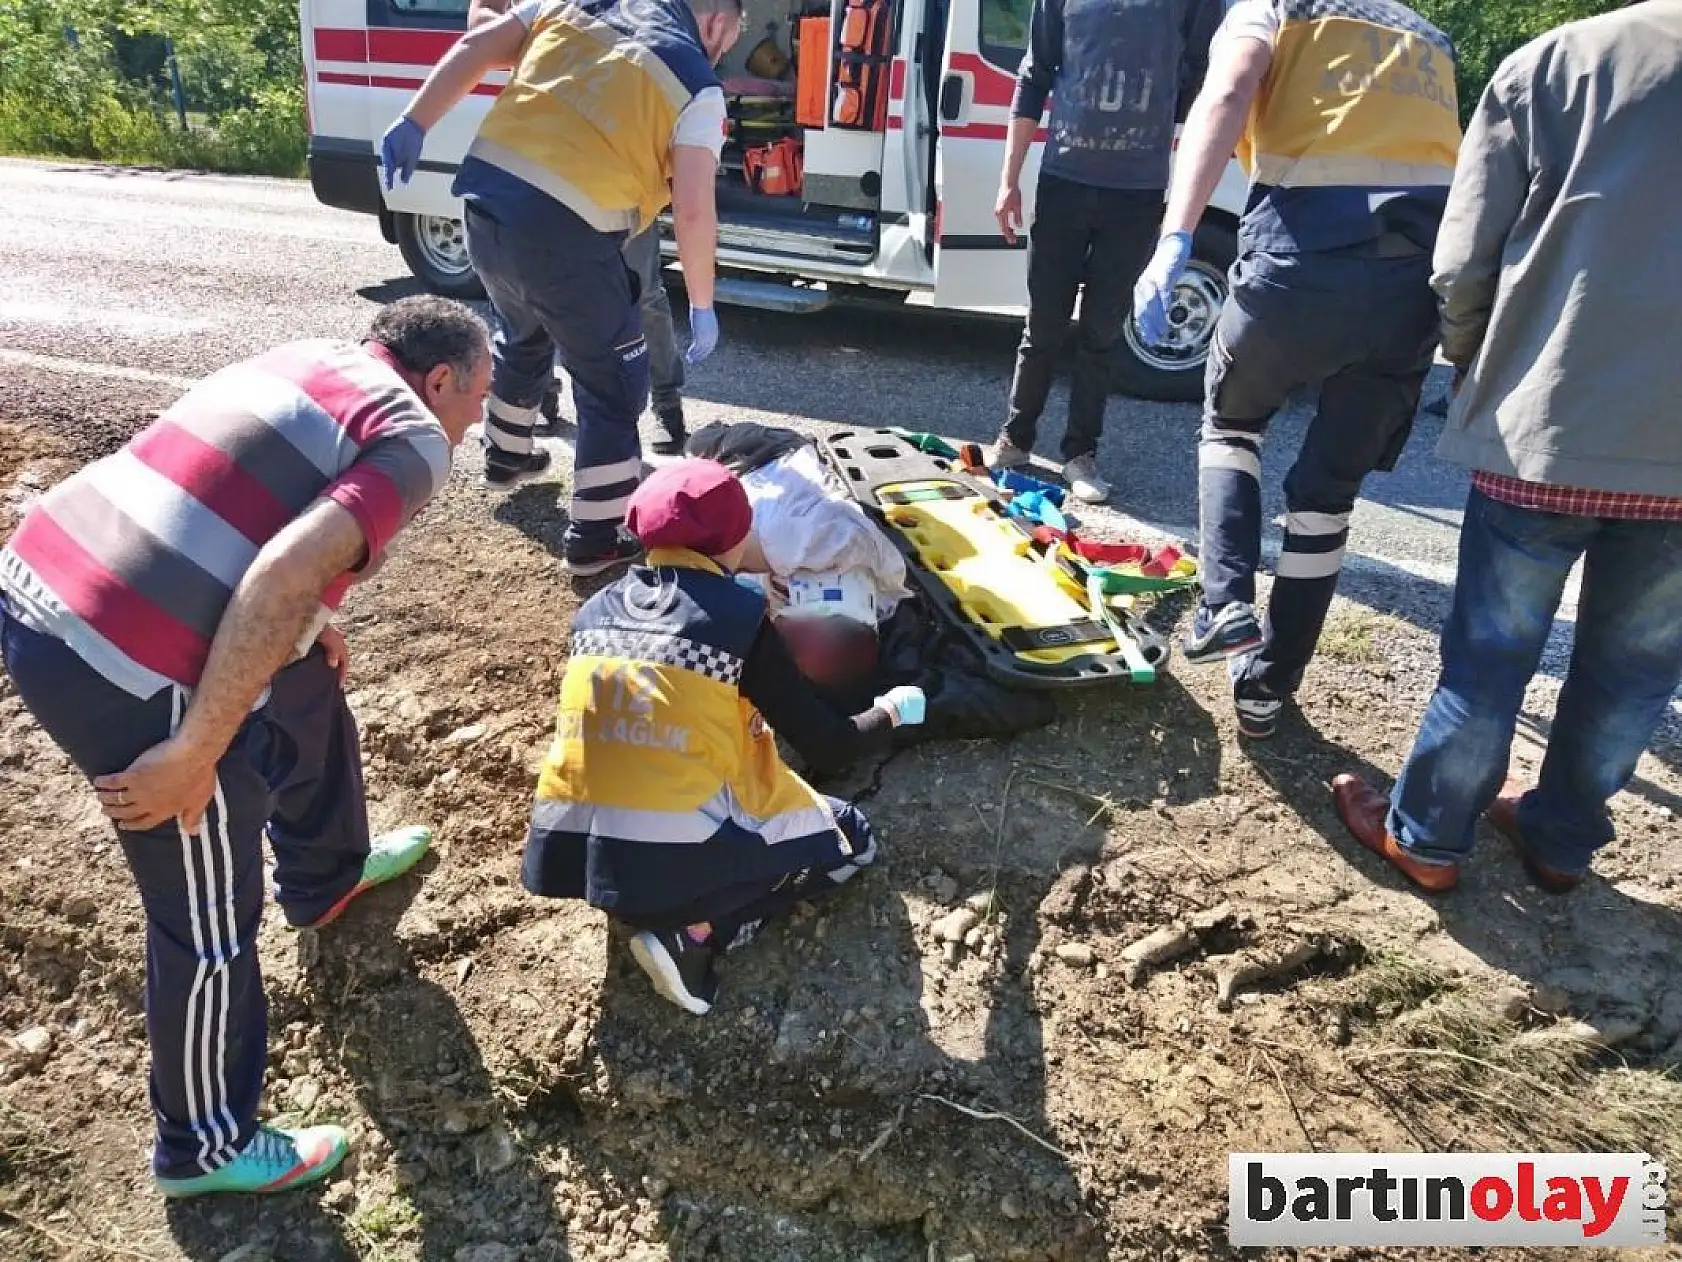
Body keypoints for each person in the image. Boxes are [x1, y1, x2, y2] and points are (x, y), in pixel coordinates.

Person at [0, 297, 492, 1196]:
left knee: (305, 681)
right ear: (440, 380)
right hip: (111, 658)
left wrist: (304, 623)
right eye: (480, 394)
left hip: (44, 565)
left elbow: (251, 512)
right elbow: (282, 571)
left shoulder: (316, 357)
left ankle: (328, 873)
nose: (480, 417)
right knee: (207, 917)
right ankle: (204, 1146)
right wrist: (193, 746)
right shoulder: (417, 438)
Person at [1332, 1, 1682, 895]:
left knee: (1491, 654)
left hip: (1550, 422)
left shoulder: (1563, 62)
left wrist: (1475, 358)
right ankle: (1561, 841)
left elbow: (1460, 265)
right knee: (1636, 672)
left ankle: (1429, 838)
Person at [1134, 0, 1462, 739]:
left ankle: (1227, 604)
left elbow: (1228, 89)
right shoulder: (1428, 38)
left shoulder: (1276, 6)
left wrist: (1174, 237)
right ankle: (1268, 692)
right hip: (1415, 289)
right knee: (1326, 500)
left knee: (1232, 422)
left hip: (1302, 265)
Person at [519, 458, 925, 1015]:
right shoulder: (740, 621)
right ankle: (698, 933)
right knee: (852, 839)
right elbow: (828, 746)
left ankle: (656, 903)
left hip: (576, 856)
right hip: (670, 856)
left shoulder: (593, 610)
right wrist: (892, 713)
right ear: (738, 537)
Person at [380, 0, 742, 576]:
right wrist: (701, 304)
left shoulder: (575, 2)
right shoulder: (697, 86)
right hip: (565, 235)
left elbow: (478, 46)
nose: (724, 51)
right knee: (613, 378)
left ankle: (505, 455)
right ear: (719, 21)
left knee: (522, 331)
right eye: (732, 37)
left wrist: (414, 120)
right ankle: (598, 537)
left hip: (486, 207)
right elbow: (695, 212)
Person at [988, 0, 1224, 505]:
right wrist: (1009, 182)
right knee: (1044, 325)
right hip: (1063, 182)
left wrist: (1167, 132)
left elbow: (1205, 75)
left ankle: (1080, 455)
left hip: (1135, 194)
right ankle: (1015, 439)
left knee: (1101, 332)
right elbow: (1035, 76)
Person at [465, 0, 692, 456]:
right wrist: (536, 37)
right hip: (538, 151)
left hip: (617, 164)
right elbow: (480, 20)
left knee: (641, 293)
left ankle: (668, 409)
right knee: (528, 299)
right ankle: (533, 415)